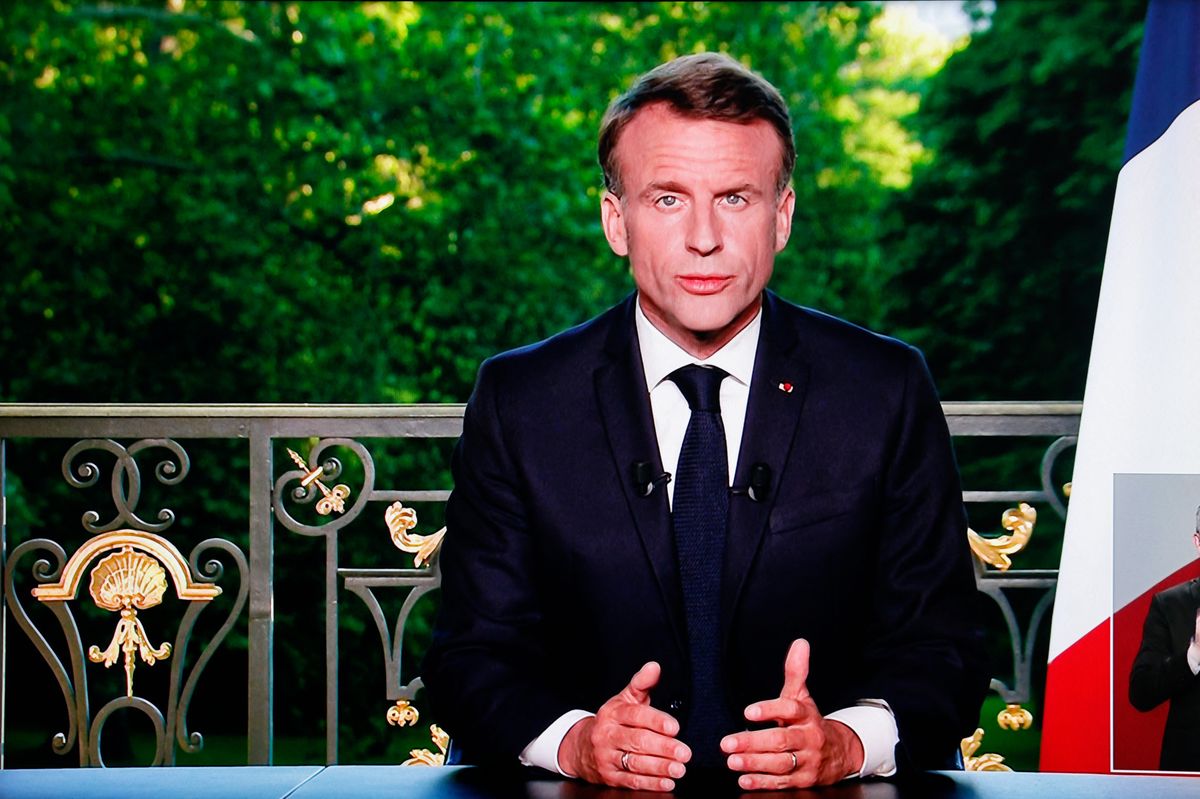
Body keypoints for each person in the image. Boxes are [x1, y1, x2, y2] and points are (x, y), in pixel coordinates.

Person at [422, 52, 986, 791]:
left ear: (781, 216)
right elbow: (467, 656)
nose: (703, 237)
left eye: (734, 198)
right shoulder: (520, 398)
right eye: (666, 199)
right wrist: (578, 741)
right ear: (614, 220)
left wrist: (846, 742)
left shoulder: (885, 389)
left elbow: (946, 649)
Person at [1129, 505, 1200, 772]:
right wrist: (1194, 654)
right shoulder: (1170, 604)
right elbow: (1141, 693)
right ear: (1197, 542)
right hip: (1190, 773)